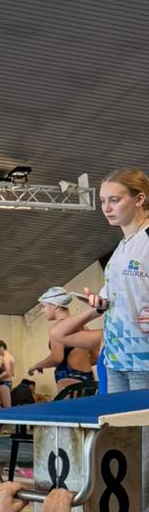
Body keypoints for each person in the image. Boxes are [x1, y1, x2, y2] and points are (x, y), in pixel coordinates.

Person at [74, 167, 149, 395]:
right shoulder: (121, 247)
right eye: (103, 201)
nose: (106, 208)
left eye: (114, 200)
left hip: (144, 358)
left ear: (139, 199)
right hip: (116, 356)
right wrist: (101, 301)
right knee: (117, 419)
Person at [29, 288, 99, 391]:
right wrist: (80, 362)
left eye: (43, 306)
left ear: (55, 305)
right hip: (89, 379)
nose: (42, 311)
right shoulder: (84, 327)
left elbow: (56, 358)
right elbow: (96, 358)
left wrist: (36, 365)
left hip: (69, 379)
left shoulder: (58, 328)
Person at [0, 339, 16, 410]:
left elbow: (7, 372)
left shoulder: (6, 357)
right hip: (4, 382)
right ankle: (2, 416)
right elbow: (12, 373)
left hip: (5, 383)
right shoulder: (9, 356)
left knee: (7, 407)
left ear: (2, 347)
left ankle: (8, 416)